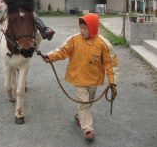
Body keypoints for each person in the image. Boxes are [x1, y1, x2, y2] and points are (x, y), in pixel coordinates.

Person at [41, 13, 119, 141]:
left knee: (89, 100)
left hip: (94, 80)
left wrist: (113, 82)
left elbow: (111, 63)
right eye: (81, 28)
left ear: (93, 28)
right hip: (79, 79)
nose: (82, 31)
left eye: (85, 28)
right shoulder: (74, 40)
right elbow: (62, 50)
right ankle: (88, 129)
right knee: (84, 102)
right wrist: (49, 56)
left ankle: (79, 116)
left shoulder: (103, 44)